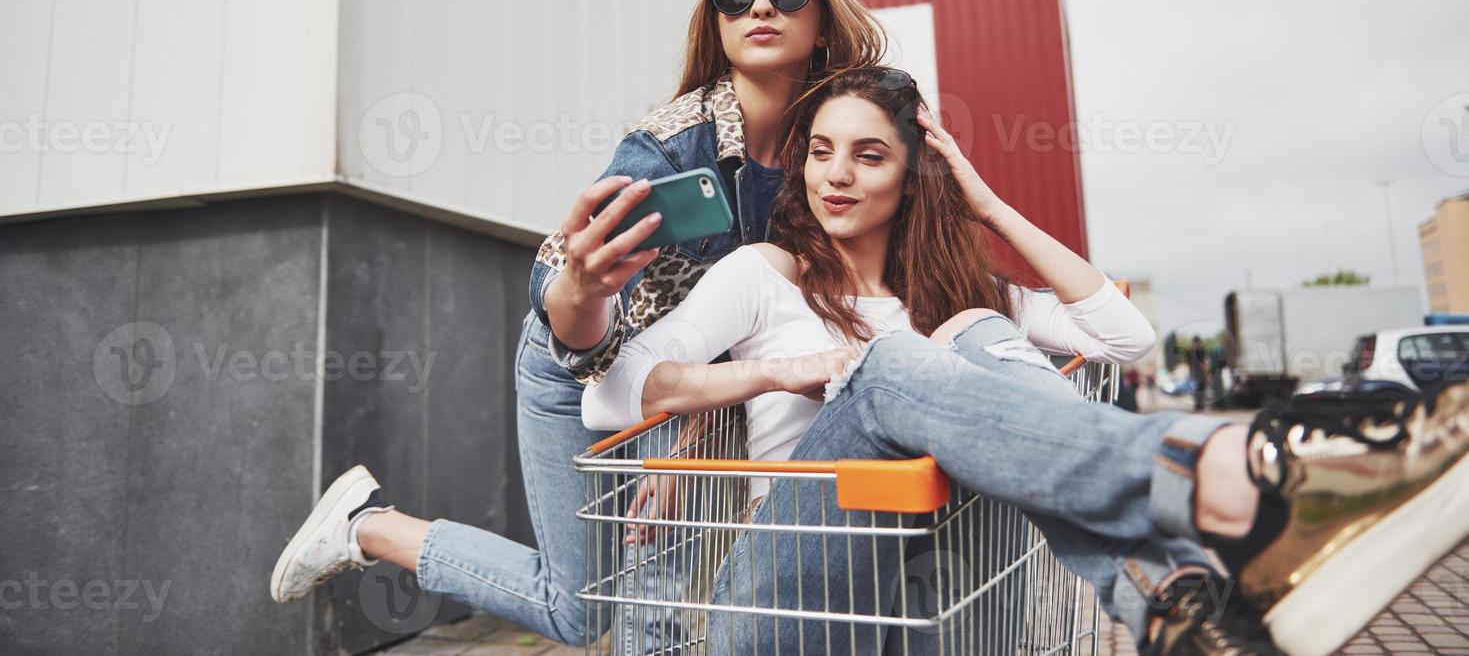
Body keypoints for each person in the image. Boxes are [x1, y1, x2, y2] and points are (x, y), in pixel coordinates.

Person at [576, 67, 1469, 656]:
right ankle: (1236, 474)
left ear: (914, 175)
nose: (834, 175)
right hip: (790, 597)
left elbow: (1124, 338)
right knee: (888, 366)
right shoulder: (766, 275)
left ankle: (1172, 605)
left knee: (966, 330)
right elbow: (611, 395)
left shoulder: (969, 300)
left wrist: (991, 206)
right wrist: (781, 371)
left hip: (934, 597)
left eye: (869, 154)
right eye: (819, 153)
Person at [268, 0, 888, 651]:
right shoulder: (668, 146)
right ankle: (366, 526)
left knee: (657, 606)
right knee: (583, 608)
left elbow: (750, 311)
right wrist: (584, 288)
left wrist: (681, 437)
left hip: (679, 389)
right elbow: (559, 293)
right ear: (715, 21)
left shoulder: (827, 147)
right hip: (579, 362)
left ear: (819, 21)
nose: (759, 8)